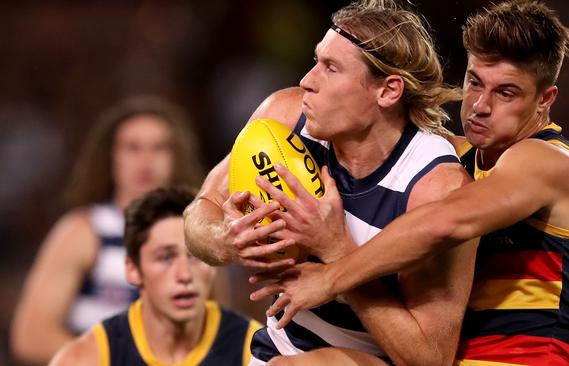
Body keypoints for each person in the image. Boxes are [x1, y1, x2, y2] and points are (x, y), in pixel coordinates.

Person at [252, 1, 569, 365]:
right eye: (474, 82)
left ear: (545, 99)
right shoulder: (453, 158)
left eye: (505, 93)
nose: (480, 105)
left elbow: (445, 223)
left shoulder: (551, 162)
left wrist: (331, 275)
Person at [184, 1, 479, 364]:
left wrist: (337, 252)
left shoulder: (433, 187)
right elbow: (202, 209)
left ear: (388, 91)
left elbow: (429, 357)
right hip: (279, 350)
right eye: (315, 60)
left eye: (331, 68)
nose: (307, 81)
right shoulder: (285, 117)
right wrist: (227, 237)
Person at [11, 96, 205, 364]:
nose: (146, 160)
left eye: (159, 147)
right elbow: (32, 336)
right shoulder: (83, 230)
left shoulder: (196, 236)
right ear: (111, 157)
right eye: (132, 147)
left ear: (176, 157)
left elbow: (216, 328)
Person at [48, 186, 262, 365]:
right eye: (165, 258)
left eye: (195, 257)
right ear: (133, 270)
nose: (184, 275)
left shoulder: (256, 353)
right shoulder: (86, 360)